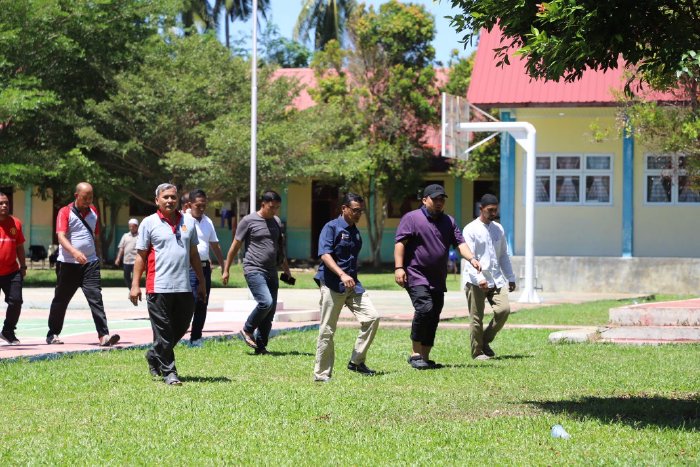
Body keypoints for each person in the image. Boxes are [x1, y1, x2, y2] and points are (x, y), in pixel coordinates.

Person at [394, 184, 481, 370]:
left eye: (442, 199)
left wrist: (472, 258)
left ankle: (425, 357)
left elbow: (460, 243)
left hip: (437, 277)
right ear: (424, 200)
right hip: (415, 274)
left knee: (434, 314)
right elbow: (400, 243)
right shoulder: (412, 218)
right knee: (425, 309)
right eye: (435, 199)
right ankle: (415, 353)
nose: (439, 202)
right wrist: (399, 267)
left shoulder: (448, 221)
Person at [130, 183, 206, 385]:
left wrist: (202, 281)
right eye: (166, 197)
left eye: (173, 197)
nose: (170, 200)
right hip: (158, 287)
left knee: (181, 327)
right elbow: (141, 256)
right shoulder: (149, 223)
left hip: (183, 286)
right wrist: (135, 284)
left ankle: (153, 355)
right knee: (163, 332)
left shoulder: (188, 222)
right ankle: (170, 372)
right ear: (157, 200)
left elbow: (193, 254)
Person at [313, 193, 380, 382]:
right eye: (355, 210)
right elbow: (325, 255)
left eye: (361, 211)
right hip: (333, 284)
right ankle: (321, 374)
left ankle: (356, 362)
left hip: (352, 285)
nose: (359, 214)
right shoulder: (331, 227)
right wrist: (341, 274)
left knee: (372, 317)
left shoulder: (355, 232)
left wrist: (349, 277)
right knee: (327, 330)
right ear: (344, 209)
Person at [46, 182, 120, 347]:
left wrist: (97, 255)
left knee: (96, 298)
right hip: (68, 264)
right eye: (85, 197)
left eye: (91, 197)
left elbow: (95, 235)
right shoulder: (65, 212)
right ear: (76, 196)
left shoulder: (94, 211)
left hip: (90, 263)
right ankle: (53, 333)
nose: (88, 200)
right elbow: (61, 237)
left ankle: (104, 336)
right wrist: (74, 252)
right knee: (61, 300)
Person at [222, 190, 292, 355]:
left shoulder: (275, 221)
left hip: (271, 270)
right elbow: (235, 246)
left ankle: (261, 347)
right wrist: (226, 269)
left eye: (277, 207)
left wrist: (287, 270)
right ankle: (247, 329)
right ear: (263, 204)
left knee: (271, 310)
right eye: (271, 207)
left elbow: (279, 248)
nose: (274, 210)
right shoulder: (248, 221)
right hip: (253, 268)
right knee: (265, 302)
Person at [463, 194, 516, 360]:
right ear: (481, 209)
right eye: (490, 210)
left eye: (495, 210)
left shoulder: (498, 228)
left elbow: (503, 256)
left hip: (496, 279)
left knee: (503, 310)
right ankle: (477, 351)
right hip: (476, 280)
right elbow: (469, 257)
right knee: (476, 318)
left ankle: (485, 340)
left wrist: (511, 277)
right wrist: (480, 279)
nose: (493, 213)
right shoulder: (470, 229)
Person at [186, 189, 226, 347]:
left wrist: (224, 267)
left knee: (202, 302)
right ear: (190, 204)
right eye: (198, 205)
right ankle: (176, 334)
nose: (202, 209)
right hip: (187, 268)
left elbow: (215, 245)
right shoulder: (183, 219)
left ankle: (196, 338)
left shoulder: (207, 221)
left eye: (204, 205)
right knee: (190, 302)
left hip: (204, 268)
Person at [0, 192, 26, 345]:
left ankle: (8, 331)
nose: (4, 206)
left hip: (11, 271)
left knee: (16, 301)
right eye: (1, 203)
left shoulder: (15, 223)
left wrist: (23, 266)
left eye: (6, 203)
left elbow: (20, 247)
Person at [114, 218, 139, 289]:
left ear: (137, 226)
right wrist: (118, 259)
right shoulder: (125, 236)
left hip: (136, 261)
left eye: (133, 226)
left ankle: (134, 290)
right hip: (127, 261)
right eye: (130, 226)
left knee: (135, 278)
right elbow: (121, 248)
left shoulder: (140, 236)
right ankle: (131, 289)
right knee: (126, 277)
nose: (131, 228)